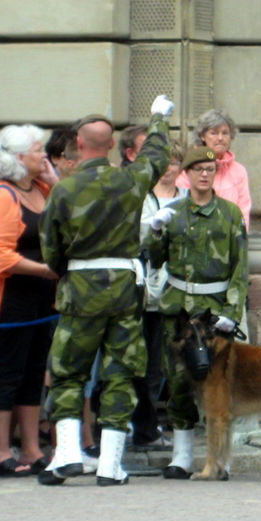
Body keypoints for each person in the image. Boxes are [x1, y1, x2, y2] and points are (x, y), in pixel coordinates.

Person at [38, 96, 173, 486]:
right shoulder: (131, 180)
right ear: (112, 145)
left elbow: (51, 251)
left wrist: (71, 272)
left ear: (78, 145)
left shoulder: (64, 190)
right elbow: (157, 155)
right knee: (120, 373)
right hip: (124, 291)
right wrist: (159, 118)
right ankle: (111, 465)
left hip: (80, 289)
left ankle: (66, 455)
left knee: (67, 372)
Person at [144, 145, 248, 480]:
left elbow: (240, 267)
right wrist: (156, 230)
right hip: (178, 310)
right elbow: (157, 259)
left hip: (213, 312)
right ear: (185, 174)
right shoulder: (175, 212)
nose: (204, 174)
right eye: (198, 169)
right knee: (178, 382)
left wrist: (232, 311)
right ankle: (182, 455)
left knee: (218, 385)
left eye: (209, 168)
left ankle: (221, 457)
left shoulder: (230, 214)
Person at [0, 124, 59, 477]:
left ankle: (30, 448)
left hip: (43, 298)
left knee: (33, 372)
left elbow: (69, 205)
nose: (44, 154)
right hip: (12, 296)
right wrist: (43, 270)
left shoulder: (42, 187)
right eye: (38, 150)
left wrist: (53, 178)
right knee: (8, 373)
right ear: (17, 158)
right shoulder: (2, 196)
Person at [134, 139, 186, 448]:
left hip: (179, 290)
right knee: (148, 366)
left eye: (175, 162)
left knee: (175, 365)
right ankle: (145, 428)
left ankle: (179, 430)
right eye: (164, 162)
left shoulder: (187, 197)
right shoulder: (143, 196)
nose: (169, 168)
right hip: (149, 293)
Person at [178, 109, 252, 230]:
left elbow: (243, 209)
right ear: (202, 136)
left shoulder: (239, 171)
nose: (220, 138)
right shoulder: (190, 166)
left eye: (225, 133)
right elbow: (181, 206)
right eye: (214, 133)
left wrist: (239, 239)